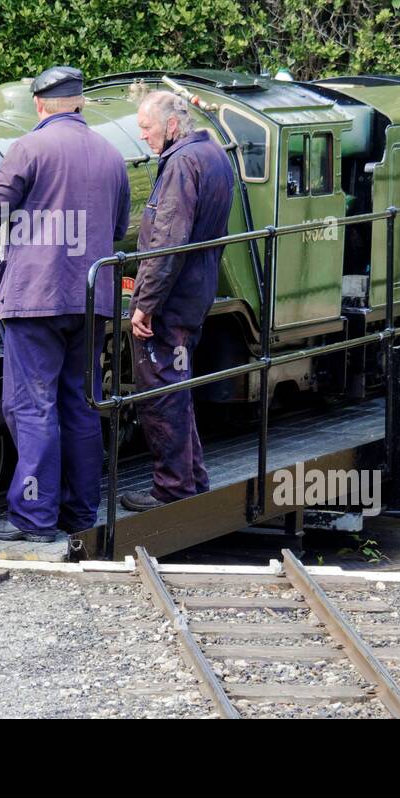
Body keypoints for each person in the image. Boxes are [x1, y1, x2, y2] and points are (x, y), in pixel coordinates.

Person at [0, 66, 131, 542]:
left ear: (39, 105)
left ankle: (34, 517)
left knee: (31, 405)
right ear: (80, 103)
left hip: (36, 299)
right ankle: (80, 513)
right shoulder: (111, 155)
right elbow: (119, 228)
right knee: (81, 404)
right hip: (92, 297)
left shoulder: (29, 148)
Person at [121, 88, 234, 512]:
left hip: (171, 303)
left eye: (147, 128)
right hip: (196, 294)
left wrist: (144, 304)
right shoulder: (213, 154)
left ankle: (172, 489)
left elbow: (167, 242)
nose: (144, 136)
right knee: (178, 386)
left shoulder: (183, 164)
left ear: (171, 125)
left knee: (160, 391)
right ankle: (192, 479)